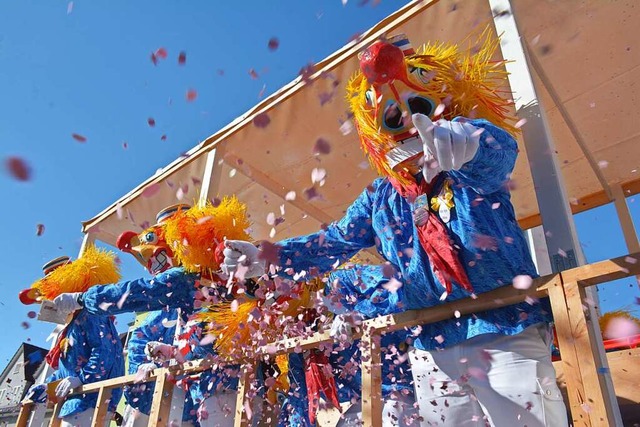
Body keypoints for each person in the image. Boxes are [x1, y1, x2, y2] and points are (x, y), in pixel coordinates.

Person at [222, 32, 567, 426]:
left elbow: (498, 154)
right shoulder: (380, 197)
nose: (405, 121)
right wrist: (267, 255)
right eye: (391, 116)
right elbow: (333, 242)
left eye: (417, 105)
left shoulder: (468, 167)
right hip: (431, 347)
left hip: (505, 331)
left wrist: (468, 143)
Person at [21, 250, 125, 426]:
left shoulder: (91, 314)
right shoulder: (72, 325)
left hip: (93, 399)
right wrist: (47, 385)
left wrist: (83, 379)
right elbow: (68, 369)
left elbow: (105, 352)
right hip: (74, 401)